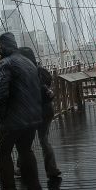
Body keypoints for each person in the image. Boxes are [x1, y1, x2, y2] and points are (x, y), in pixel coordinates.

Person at [0, 32, 44, 190]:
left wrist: (0, 114)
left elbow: (0, 92)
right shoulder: (27, 62)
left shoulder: (6, 64)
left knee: (4, 155)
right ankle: (35, 189)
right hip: (32, 116)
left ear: (4, 46)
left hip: (13, 118)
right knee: (26, 151)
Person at [18, 47, 62, 180]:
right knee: (44, 140)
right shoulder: (41, 70)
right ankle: (52, 169)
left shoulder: (26, 72)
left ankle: (21, 168)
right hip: (47, 110)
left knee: (25, 142)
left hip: (33, 112)